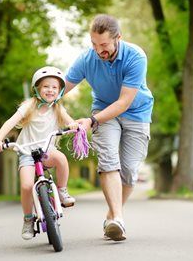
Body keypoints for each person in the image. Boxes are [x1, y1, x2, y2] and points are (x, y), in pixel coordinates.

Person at [65, 14, 154, 241]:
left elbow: (124, 102)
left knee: (129, 171)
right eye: (94, 44)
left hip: (136, 112)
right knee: (108, 161)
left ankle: (113, 215)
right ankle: (117, 220)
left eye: (104, 45)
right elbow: (62, 86)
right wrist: (40, 99)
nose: (98, 50)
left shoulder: (135, 56)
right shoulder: (87, 59)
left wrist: (90, 122)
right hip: (104, 112)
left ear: (118, 38)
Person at [0, 66, 77, 240]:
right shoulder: (29, 106)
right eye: (46, 86)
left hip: (47, 151)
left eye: (54, 87)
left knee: (61, 158)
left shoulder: (58, 108)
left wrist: (75, 126)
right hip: (26, 152)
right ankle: (28, 219)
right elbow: (10, 122)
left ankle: (62, 190)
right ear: (37, 89)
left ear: (60, 91)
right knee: (25, 186)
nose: (50, 90)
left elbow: (71, 123)